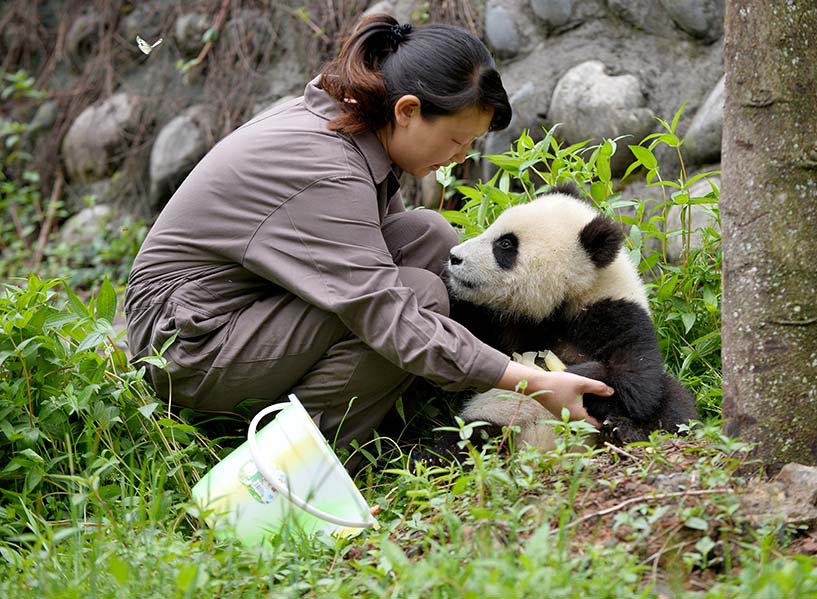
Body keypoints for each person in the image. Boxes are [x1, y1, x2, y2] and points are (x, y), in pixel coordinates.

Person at [124, 14, 612, 452]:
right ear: (406, 111)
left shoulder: (355, 120)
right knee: (415, 298)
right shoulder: (329, 171)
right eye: (456, 139)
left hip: (239, 306)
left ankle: (393, 409)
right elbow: (386, 312)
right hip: (186, 343)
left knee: (431, 239)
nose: (460, 156)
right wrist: (530, 383)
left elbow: (390, 264)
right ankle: (298, 461)